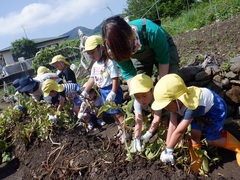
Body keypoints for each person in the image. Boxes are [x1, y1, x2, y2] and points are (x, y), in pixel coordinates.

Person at [151, 74, 240, 167]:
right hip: (199, 112)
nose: (166, 108)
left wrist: (169, 150)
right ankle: (196, 163)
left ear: (177, 100)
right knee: (194, 135)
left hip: (216, 109)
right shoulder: (175, 104)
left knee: (212, 140)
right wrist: (167, 146)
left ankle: (237, 147)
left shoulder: (190, 107)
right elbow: (173, 124)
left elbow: (179, 131)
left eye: (167, 105)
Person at [101, 15, 180, 88]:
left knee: (170, 83)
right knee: (141, 86)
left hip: (164, 48)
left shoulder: (151, 32)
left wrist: (162, 86)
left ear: (132, 34)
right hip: (141, 57)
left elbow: (163, 60)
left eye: (129, 49)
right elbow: (128, 72)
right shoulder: (113, 49)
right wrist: (137, 94)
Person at [80, 35, 126, 143]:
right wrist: (85, 91)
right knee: (112, 112)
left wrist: (113, 92)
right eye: (89, 53)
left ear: (101, 47)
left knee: (118, 112)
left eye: (93, 52)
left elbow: (115, 78)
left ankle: (125, 130)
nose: (91, 55)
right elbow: (92, 79)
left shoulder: (109, 62)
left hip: (111, 89)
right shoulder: (95, 65)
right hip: (103, 91)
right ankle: (119, 127)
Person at [129, 74, 162, 152]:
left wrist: (149, 133)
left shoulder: (157, 99)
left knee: (164, 122)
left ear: (152, 90)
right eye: (137, 97)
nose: (141, 100)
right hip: (148, 111)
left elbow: (157, 117)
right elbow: (138, 119)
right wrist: (136, 137)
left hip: (162, 111)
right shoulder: (137, 102)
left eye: (144, 96)